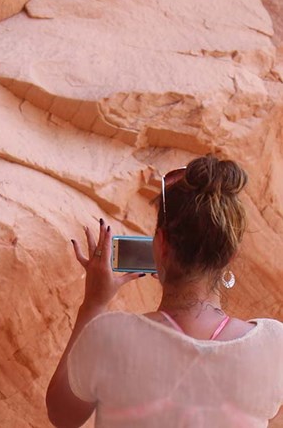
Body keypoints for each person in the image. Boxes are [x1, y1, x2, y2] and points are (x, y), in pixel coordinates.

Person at [46, 155, 283, 427]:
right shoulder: (275, 345)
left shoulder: (111, 336)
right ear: (230, 255)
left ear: (160, 244)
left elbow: (62, 415)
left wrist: (93, 304)